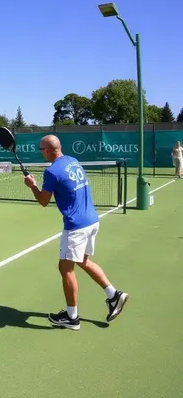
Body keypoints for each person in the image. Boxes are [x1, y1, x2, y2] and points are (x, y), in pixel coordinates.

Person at [23, 134, 128, 330]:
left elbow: (43, 201)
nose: (41, 152)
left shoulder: (52, 172)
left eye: (41, 149)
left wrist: (32, 186)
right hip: (92, 220)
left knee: (65, 268)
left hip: (76, 226)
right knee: (83, 261)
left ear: (47, 150)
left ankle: (72, 318)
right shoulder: (72, 160)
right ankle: (114, 295)